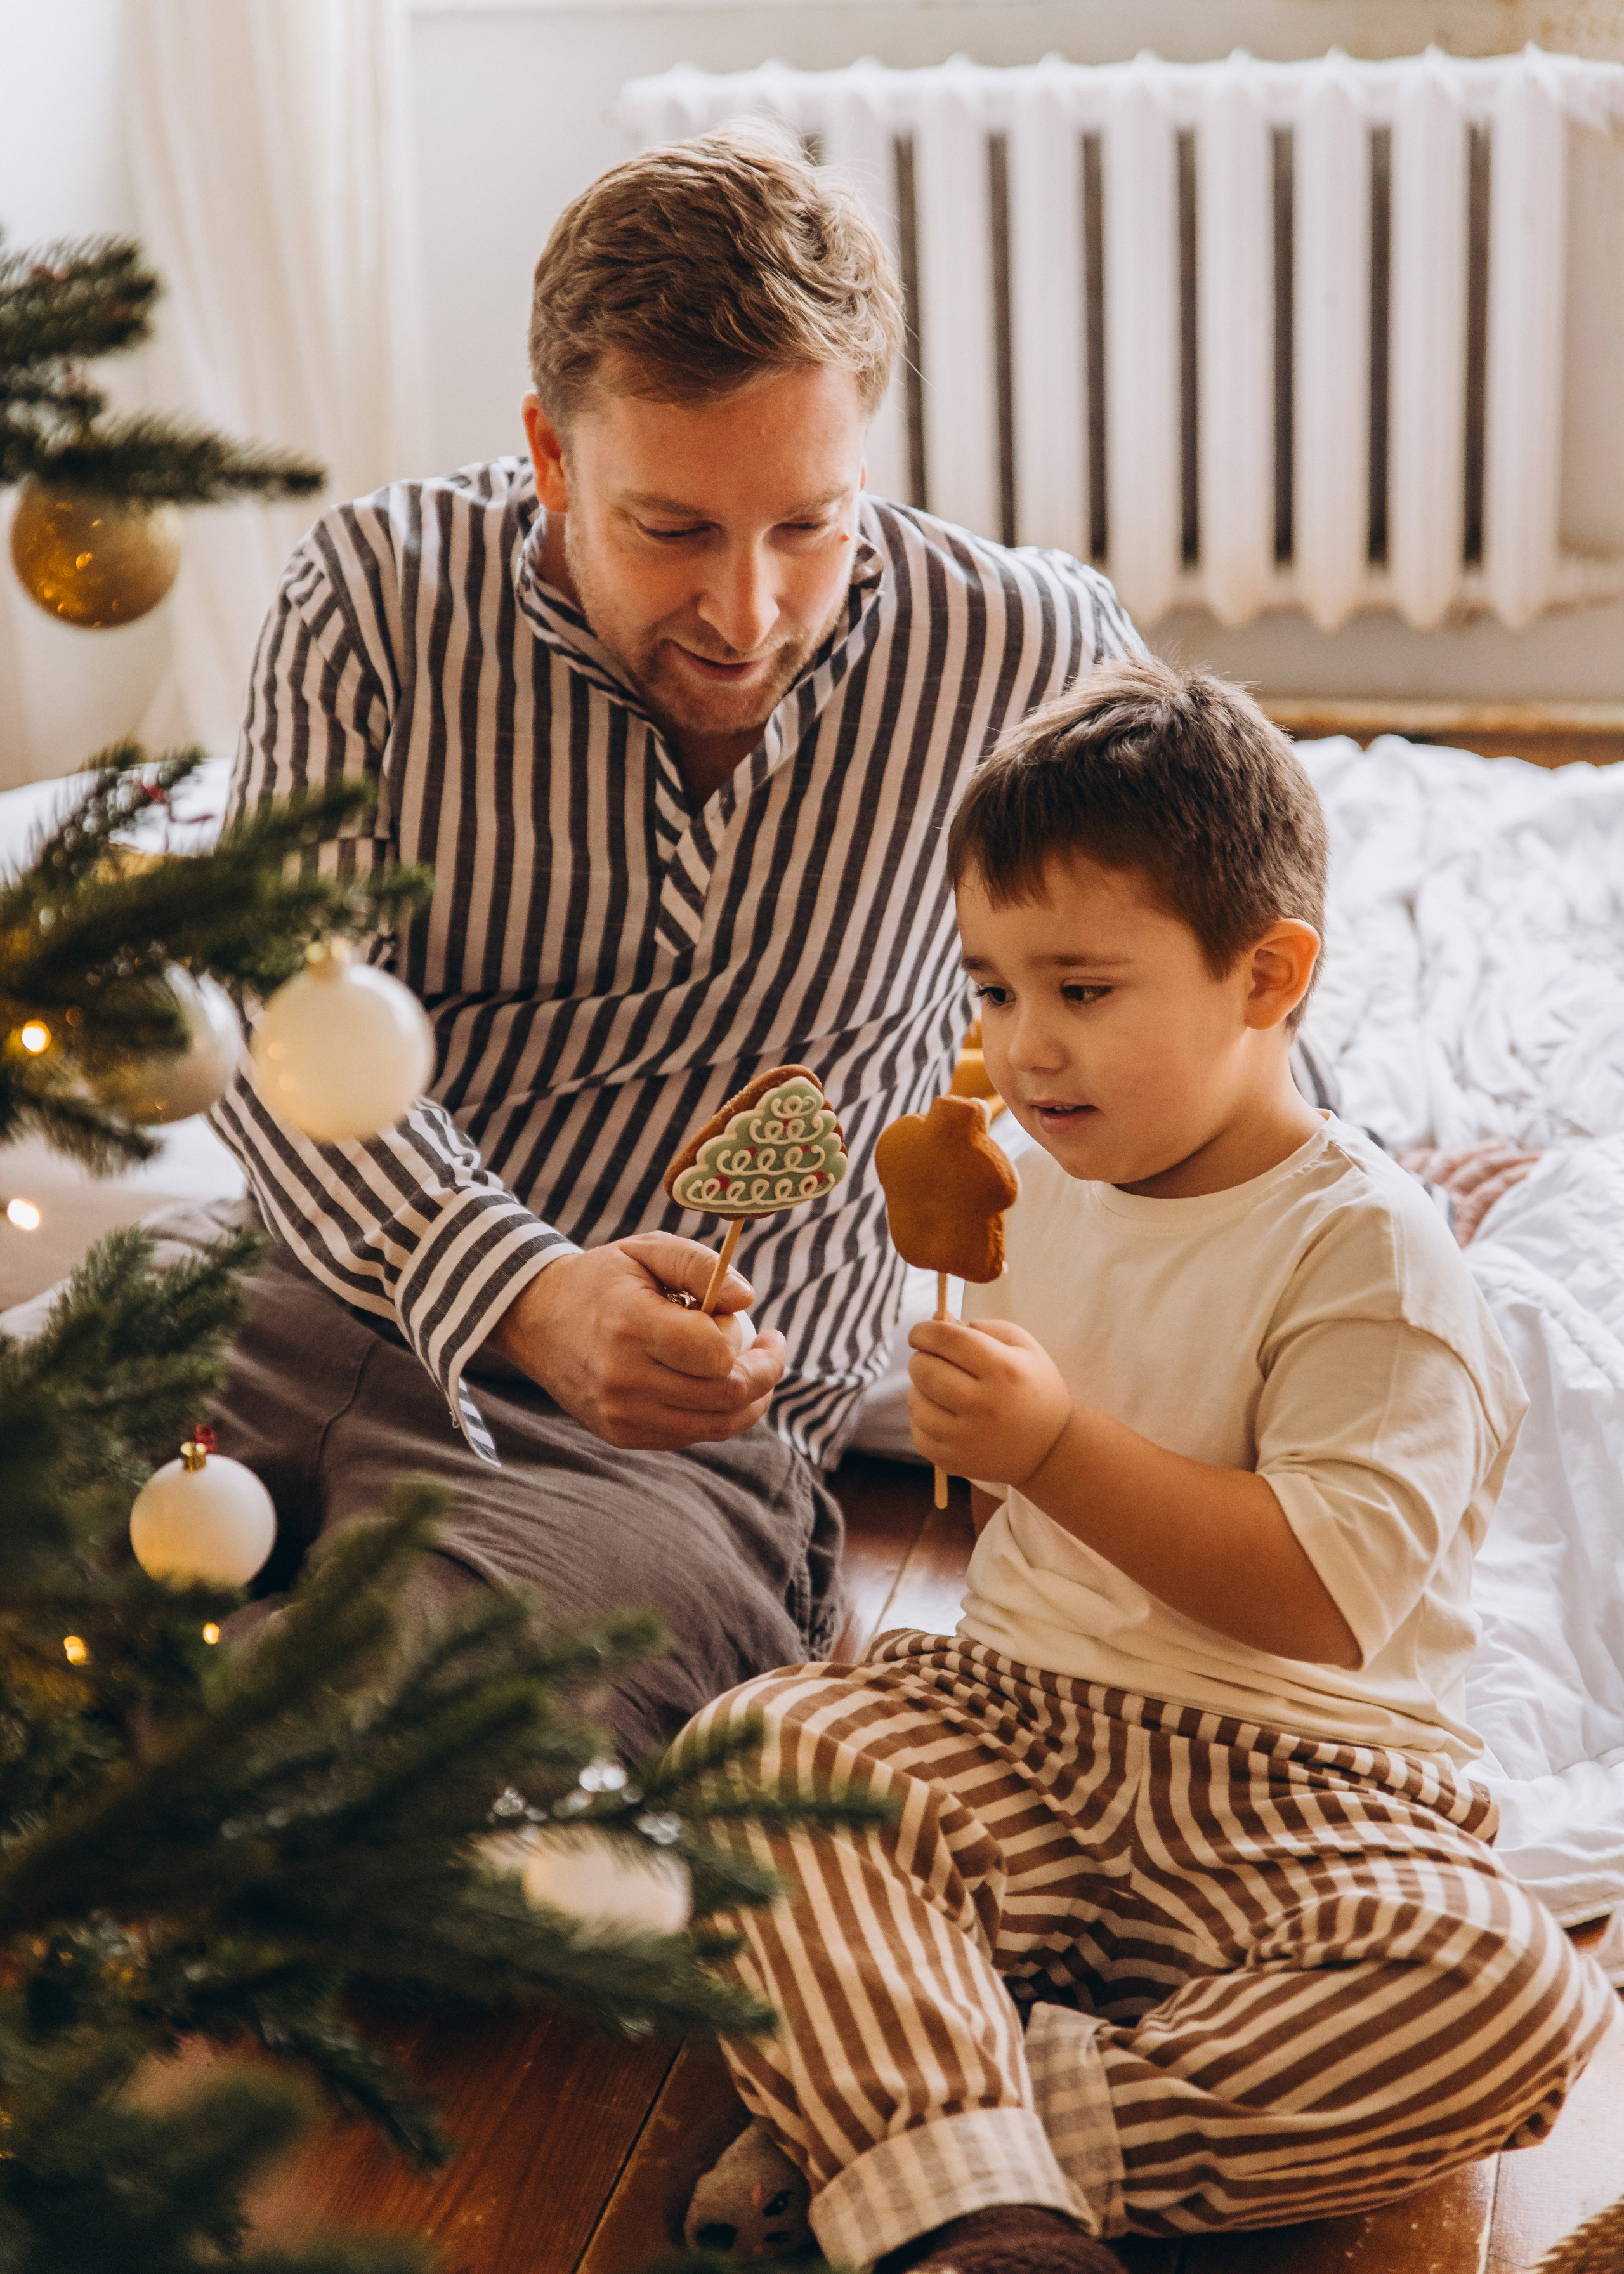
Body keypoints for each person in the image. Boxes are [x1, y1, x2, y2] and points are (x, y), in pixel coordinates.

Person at [195, 122, 1144, 1750]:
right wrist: (526, 1289)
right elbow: (263, 1020)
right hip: (276, 1307)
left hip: (671, 1458)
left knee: (380, 1756)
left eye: (809, 525)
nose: (747, 611)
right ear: (549, 455)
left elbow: (1193, 971)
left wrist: (1325, 1186)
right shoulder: (374, 597)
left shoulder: (1023, 651)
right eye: (673, 529)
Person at [675, 657, 1613, 2274]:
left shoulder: (1367, 1254)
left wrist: (1052, 1446)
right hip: (1020, 1719)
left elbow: (1319, 1600)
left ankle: (944, 2141)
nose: (1025, 1046)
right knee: (755, 1752)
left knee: (1509, 1987)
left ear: (1266, 977)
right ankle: (952, 2150)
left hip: (1303, 1786)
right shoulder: (1019, 1176)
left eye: (1083, 990)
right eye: (991, 987)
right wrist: (739, 1337)